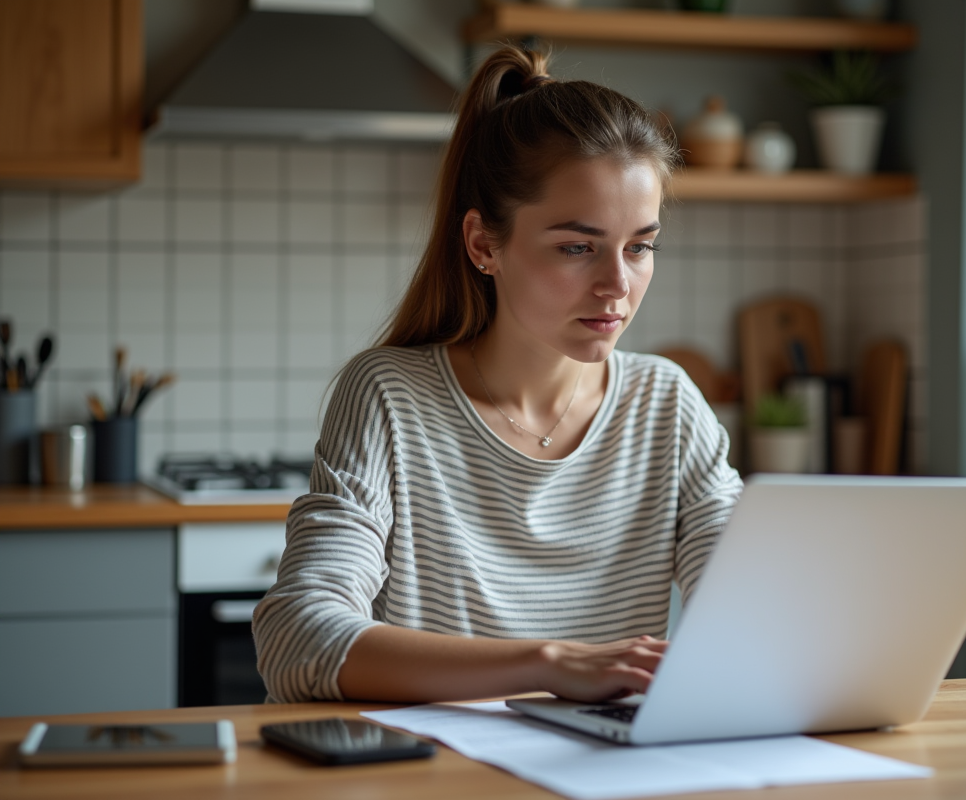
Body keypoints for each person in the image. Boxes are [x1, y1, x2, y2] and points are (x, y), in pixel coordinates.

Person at [252, 45, 743, 705]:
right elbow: (297, 639)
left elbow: (750, 616)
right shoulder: (388, 397)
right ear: (485, 244)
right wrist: (545, 664)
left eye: (640, 247)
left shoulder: (667, 402)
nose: (617, 286)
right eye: (578, 248)